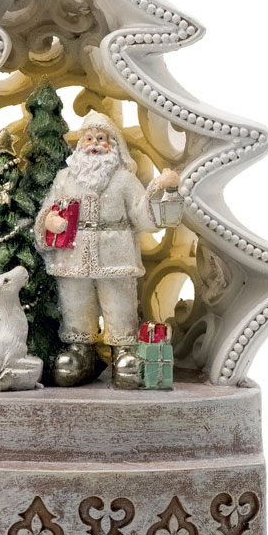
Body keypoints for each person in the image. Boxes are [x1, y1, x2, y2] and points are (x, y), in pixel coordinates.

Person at [34, 111, 180, 387]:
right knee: (75, 303)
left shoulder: (124, 179)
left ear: (113, 144)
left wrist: (159, 189)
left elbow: (142, 216)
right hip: (73, 257)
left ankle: (123, 349)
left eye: (101, 138)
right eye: (89, 138)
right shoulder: (65, 178)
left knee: (119, 302)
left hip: (116, 256)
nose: (94, 144)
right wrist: (49, 222)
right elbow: (48, 210)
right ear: (80, 144)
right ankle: (80, 350)